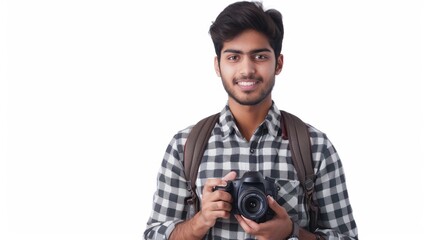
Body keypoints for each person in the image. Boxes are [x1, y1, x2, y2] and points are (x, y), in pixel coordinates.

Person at [144, 1, 358, 239]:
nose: (246, 70)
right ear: (218, 65)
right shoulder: (185, 146)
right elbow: (154, 234)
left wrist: (291, 232)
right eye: (234, 57)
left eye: (259, 56)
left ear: (278, 63)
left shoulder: (315, 147)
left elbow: (347, 237)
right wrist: (200, 221)